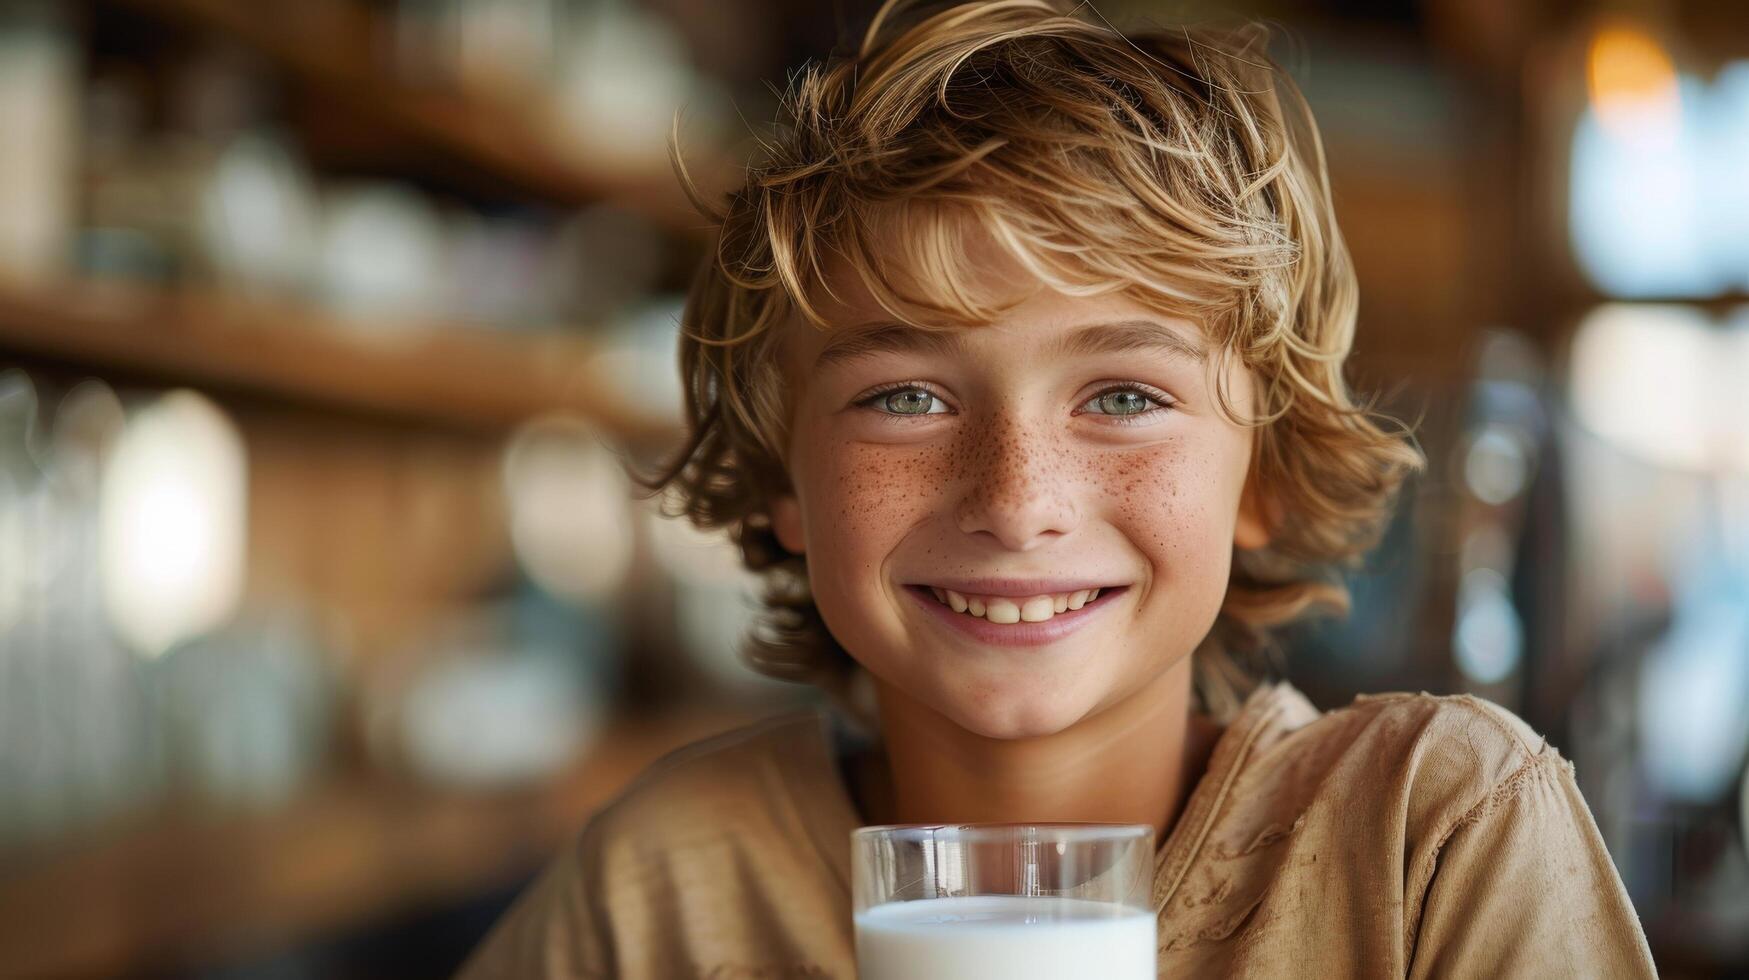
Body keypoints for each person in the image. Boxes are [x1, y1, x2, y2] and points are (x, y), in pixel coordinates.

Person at [459, 1, 1658, 976]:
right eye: (907, 398)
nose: (1016, 499)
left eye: (1125, 396)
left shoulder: (1428, 841)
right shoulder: (665, 887)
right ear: (785, 477)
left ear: (1265, 475)